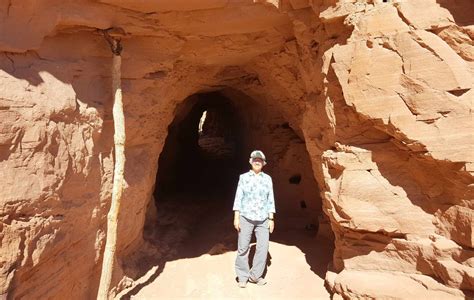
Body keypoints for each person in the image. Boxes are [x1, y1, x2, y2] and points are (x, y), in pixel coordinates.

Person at [232, 150, 276, 288]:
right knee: (243, 248)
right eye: (255, 159)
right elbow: (238, 197)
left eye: (260, 160)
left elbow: (271, 199)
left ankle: (256, 276)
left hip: (263, 219)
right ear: (250, 161)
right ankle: (243, 276)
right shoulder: (243, 177)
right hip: (246, 217)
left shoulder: (267, 179)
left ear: (264, 163)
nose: (257, 161)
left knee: (263, 247)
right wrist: (236, 217)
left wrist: (271, 218)